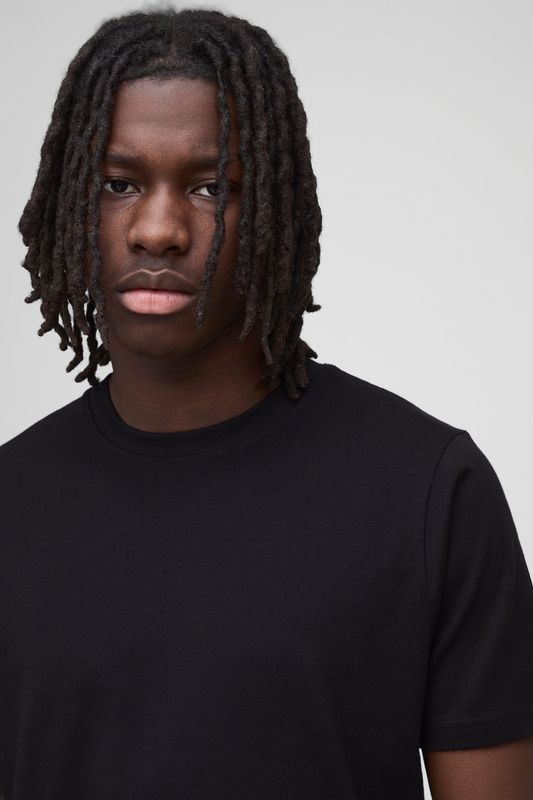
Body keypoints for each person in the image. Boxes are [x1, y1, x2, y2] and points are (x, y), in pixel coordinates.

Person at [1, 7, 532, 799]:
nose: (157, 230)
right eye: (118, 184)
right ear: (66, 204)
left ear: (277, 209)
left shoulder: (427, 489)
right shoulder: (12, 499)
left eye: (211, 187)